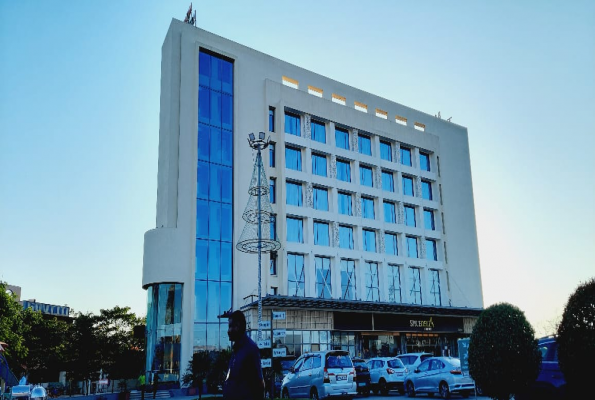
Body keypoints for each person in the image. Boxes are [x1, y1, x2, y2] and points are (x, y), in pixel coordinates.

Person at [223, 310, 264, 400]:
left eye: (230, 326)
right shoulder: (236, 350)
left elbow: (258, 384)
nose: (228, 331)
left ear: (238, 326)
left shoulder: (250, 349)